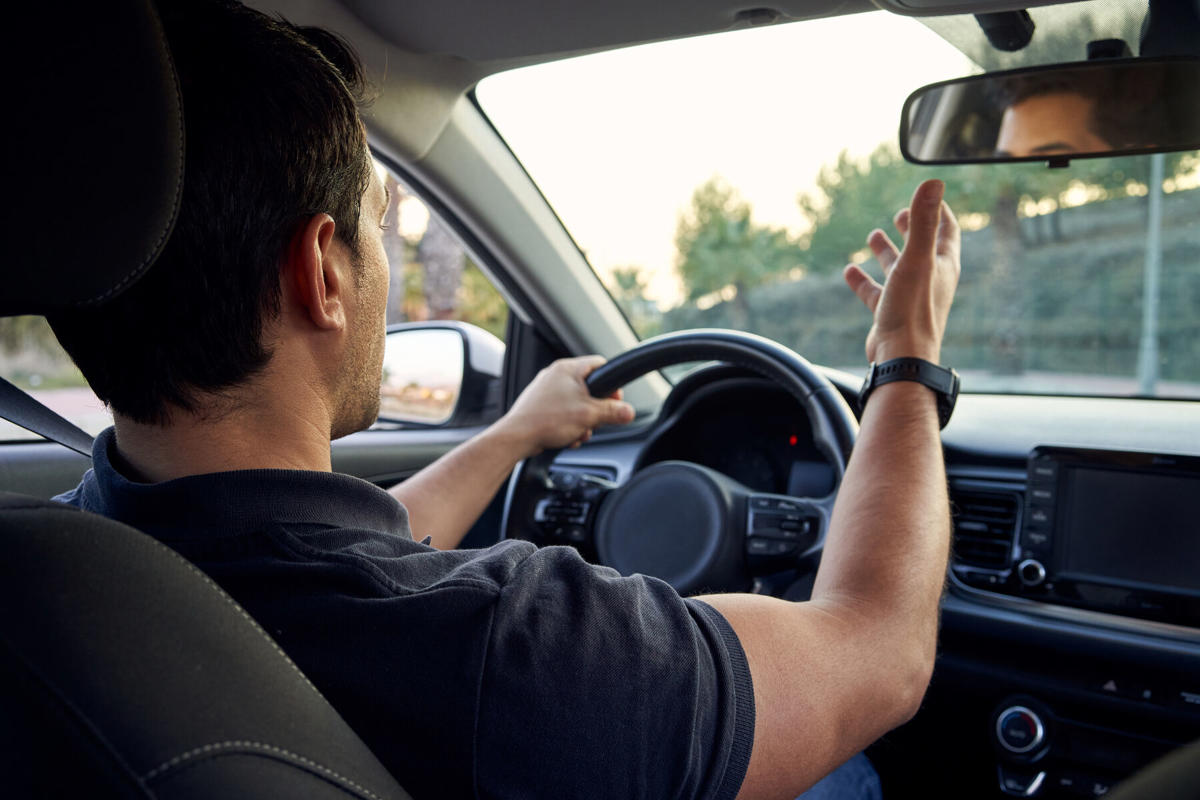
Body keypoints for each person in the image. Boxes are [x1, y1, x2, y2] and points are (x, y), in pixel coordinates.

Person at [48, 1, 961, 797]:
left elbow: (315, 554)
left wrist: (515, 434)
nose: (387, 261)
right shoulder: (510, 653)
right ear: (323, 271)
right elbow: (879, 652)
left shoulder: (58, 561)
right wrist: (907, 363)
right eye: (379, 223)